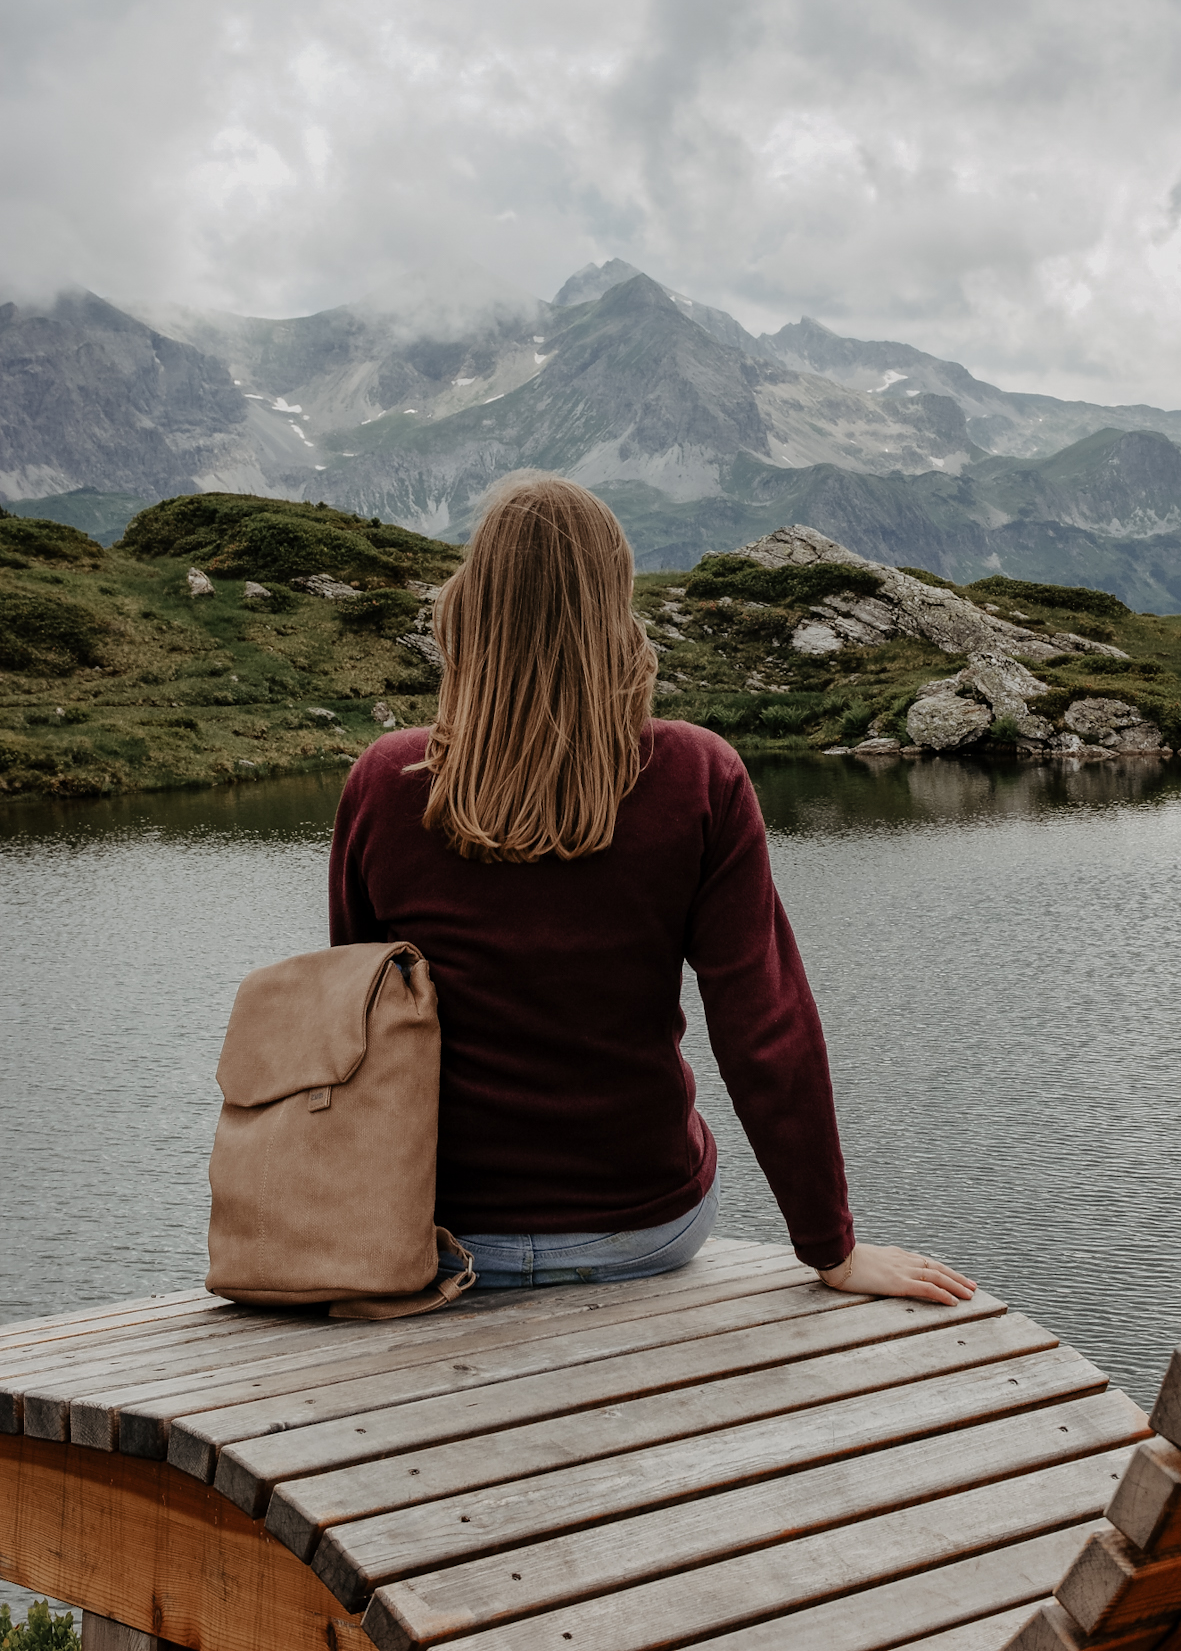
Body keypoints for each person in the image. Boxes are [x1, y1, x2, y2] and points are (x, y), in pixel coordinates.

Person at [329, 473, 974, 1305]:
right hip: (642, 1228)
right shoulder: (698, 775)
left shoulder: (386, 779)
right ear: (615, 609)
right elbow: (764, 1029)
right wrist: (831, 1248)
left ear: (468, 610)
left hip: (437, 1232)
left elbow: (352, 1019)